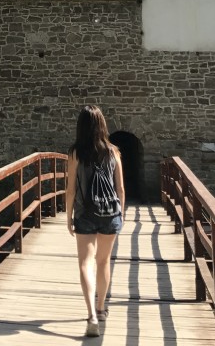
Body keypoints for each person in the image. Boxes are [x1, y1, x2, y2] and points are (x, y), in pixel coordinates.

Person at [65, 104, 125, 337]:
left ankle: (91, 315)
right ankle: (101, 308)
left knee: (85, 263)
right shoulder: (114, 152)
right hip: (110, 213)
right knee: (103, 261)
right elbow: (120, 188)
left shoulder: (75, 153)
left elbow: (71, 189)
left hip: (85, 213)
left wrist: (68, 216)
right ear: (102, 125)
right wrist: (121, 214)